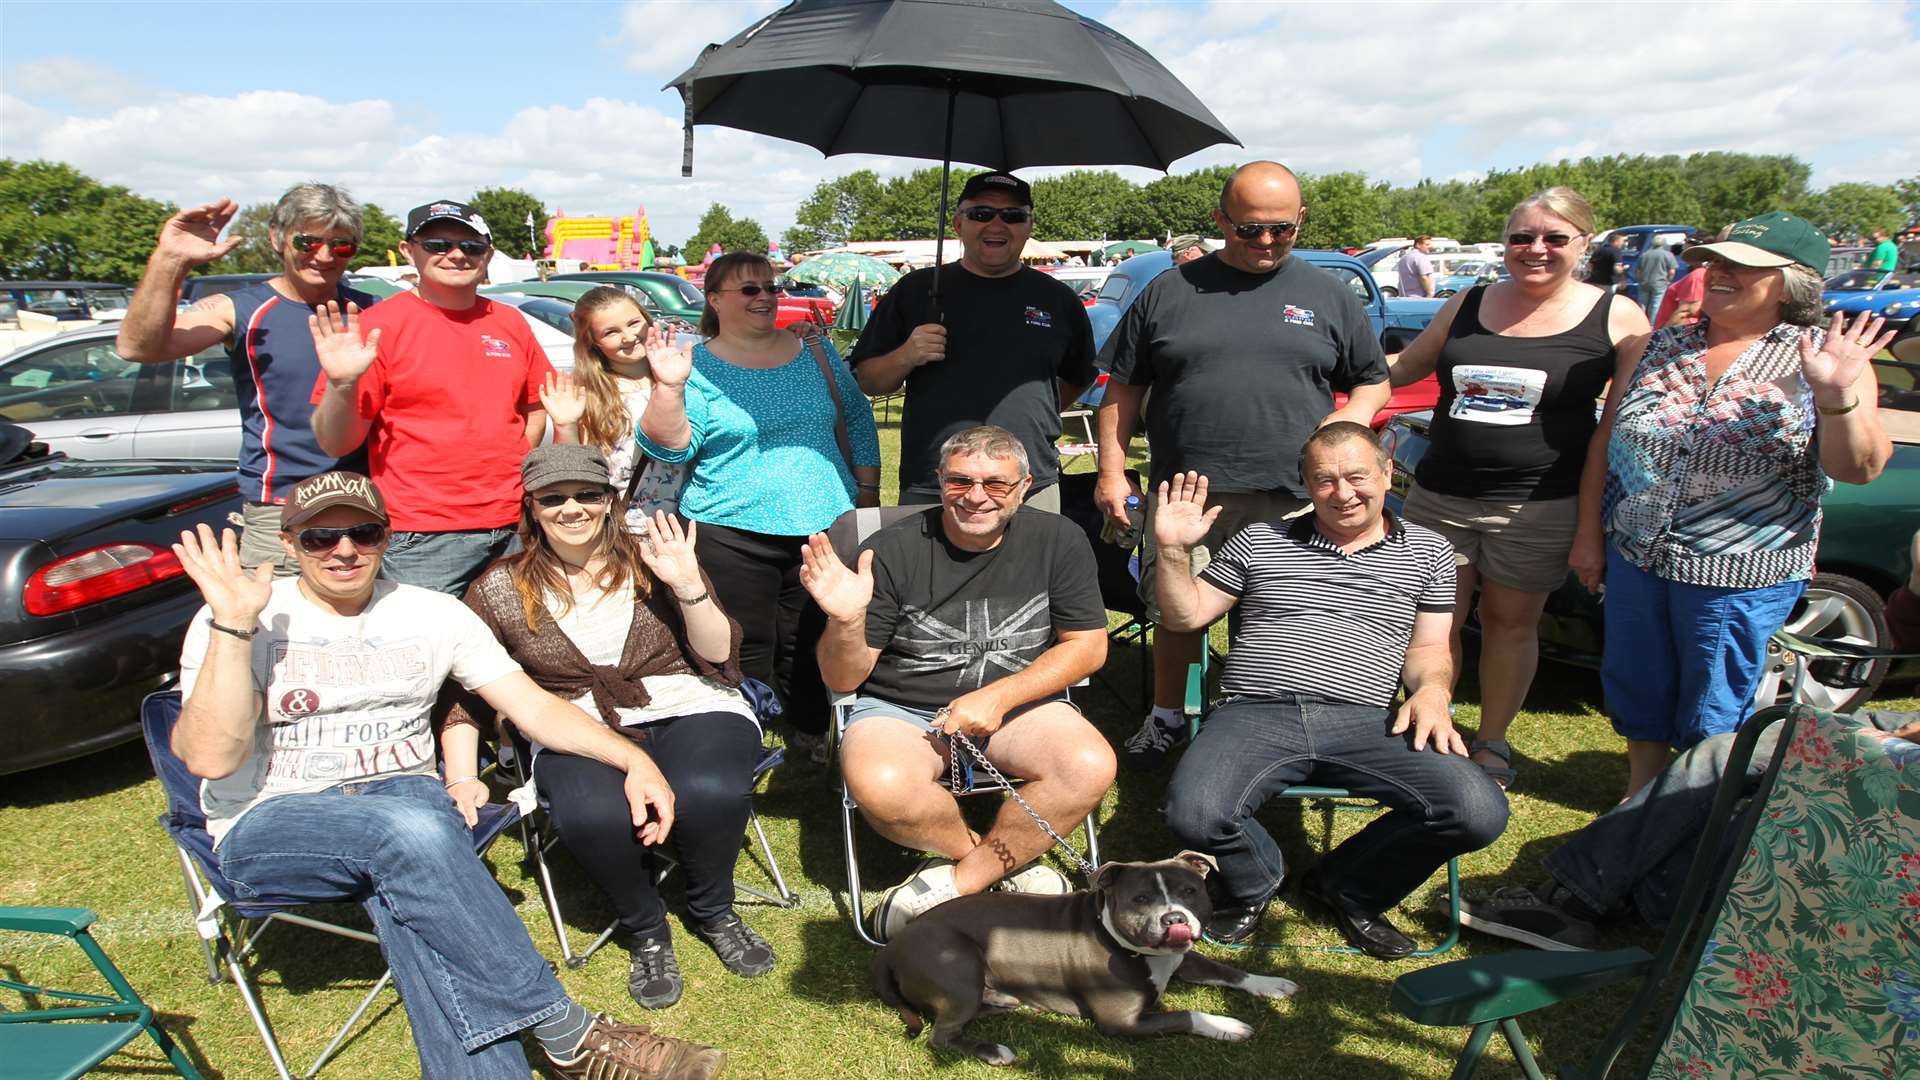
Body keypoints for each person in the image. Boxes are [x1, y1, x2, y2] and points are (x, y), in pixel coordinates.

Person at [167, 470, 724, 1080]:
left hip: (408, 807)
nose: (344, 550)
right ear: (291, 543)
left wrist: (632, 757)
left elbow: (532, 706)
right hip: (272, 817)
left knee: (416, 897)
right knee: (411, 833)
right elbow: (210, 760)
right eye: (321, 538)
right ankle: (564, 1026)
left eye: (363, 533)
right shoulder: (242, 618)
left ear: (387, 537)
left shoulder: (433, 614)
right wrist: (232, 625)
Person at [1156, 423, 1508, 958]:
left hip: (1366, 720)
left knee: (1477, 809)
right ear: (1305, 485)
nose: (1343, 494)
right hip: (1257, 712)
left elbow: (1432, 647)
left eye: (1356, 477)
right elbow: (1186, 617)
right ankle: (1257, 881)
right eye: (1324, 481)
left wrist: (1433, 692)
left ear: (1389, 473)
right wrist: (1174, 552)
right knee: (1194, 816)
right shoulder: (1259, 540)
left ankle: (1349, 885)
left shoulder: (1430, 551)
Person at [443, 445, 771, 1010]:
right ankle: (645, 927)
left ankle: (712, 908)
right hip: (576, 720)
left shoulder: (656, 558)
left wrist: (687, 583)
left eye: (587, 494)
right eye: (554, 497)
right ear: (533, 508)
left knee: (709, 790)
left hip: (688, 699)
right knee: (592, 813)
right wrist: (459, 775)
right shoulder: (497, 587)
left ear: (610, 501)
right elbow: (467, 690)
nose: (572, 508)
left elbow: (720, 655)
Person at [1094, 161, 1392, 770]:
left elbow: (1373, 383)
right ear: (1220, 219)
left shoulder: (1327, 293)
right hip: (1189, 494)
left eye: (1280, 230)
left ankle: (1284, 720)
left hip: (1296, 499)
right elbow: (1120, 394)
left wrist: (1342, 430)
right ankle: (1168, 716)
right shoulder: (1169, 291)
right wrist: (1110, 472)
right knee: (1177, 612)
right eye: (1248, 229)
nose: (1264, 243)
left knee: (1297, 616)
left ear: (1300, 219)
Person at [1588, 211, 1895, 799]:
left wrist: (1835, 397)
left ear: (1795, 282)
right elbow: (1606, 442)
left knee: (1712, 704)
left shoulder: (1825, 360)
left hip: (1737, 572)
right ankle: (1639, 802)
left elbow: (1859, 467)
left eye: (1744, 267)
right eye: (1715, 262)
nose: (1720, 274)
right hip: (1637, 553)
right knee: (1638, 686)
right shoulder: (1660, 346)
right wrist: (1587, 537)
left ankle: (1692, 812)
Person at [798, 425, 1114, 941]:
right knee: (880, 785)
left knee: (1088, 767)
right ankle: (994, 864)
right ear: (939, 480)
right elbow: (842, 676)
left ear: (1025, 485)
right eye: (960, 481)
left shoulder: (1058, 539)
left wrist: (1000, 695)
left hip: (1019, 705)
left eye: (996, 484)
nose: (975, 497)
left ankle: (960, 885)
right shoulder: (891, 550)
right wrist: (847, 619)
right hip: (902, 709)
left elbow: (1088, 646)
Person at [1385, 187, 1650, 789]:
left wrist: (1588, 528)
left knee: (1509, 623)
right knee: (1432, 619)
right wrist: (1332, 373)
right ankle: (1432, 723)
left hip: (1538, 505)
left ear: (1584, 243)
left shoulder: (1617, 316)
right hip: (1440, 496)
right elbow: (1404, 368)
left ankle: (1492, 742)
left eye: (1555, 238)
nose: (1537, 249)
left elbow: (1614, 434)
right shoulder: (1470, 300)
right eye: (1522, 238)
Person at [636, 251, 881, 750]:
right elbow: (669, 445)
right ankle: (743, 734)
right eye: (749, 290)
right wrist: (667, 387)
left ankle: (810, 732)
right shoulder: (694, 366)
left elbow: (855, 416)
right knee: (741, 640)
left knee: (813, 634)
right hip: (731, 526)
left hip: (822, 521)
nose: (765, 297)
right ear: (715, 300)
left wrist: (868, 491)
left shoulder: (814, 351)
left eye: (770, 288)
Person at [1457, 706, 1919, 949]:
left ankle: (1586, 901)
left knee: (1762, 812)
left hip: (1898, 785)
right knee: (1729, 752)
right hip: (1896, 742)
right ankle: (1583, 898)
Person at [117, 184, 375, 573]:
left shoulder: (374, 311)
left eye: (341, 246)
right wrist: (170, 261)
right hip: (282, 510)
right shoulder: (241, 309)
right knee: (280, 629)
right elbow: (139, 348)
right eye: (307, 242)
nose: (323, 256)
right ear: (277, 238)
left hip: (367, 504)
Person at [308, 200, 553, 596]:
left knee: (515, 651)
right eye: (438, 244)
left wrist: (507, 475)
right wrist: (341, 384)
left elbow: (534, 410)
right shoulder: (378, 326)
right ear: (409, 251)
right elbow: (334, 442)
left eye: (471, 247)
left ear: (487, 255)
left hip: (516, 525)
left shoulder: (509, 321)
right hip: (423, 535)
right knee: (428, 654)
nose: (456, 254)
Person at [848, 171, 1095, 509]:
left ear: (1029, 225)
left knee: (1034, 564)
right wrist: (907, 354)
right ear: (957, 222)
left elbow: (1079, 377)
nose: (996, 224)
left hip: (1029, 484)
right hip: (935, 483)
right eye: (981, 213)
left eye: (1013, 215)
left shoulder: (1058, 298)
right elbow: (870, 380)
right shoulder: (916, 291)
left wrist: (1031, 415)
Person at [541, 286, 687, 531]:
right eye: (611, 332)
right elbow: (573, 471)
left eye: (633, 323)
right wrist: (564, 425)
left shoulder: (681, 376)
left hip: (684, 524)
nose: (629, 337)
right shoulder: (588, 393)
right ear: (594, 342)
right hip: (623, 528)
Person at [1652, 232, 1723, 329]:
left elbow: (1685, 313)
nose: (1682, 250)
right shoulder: (1700, 273)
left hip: (1674, 334)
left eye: (1686, 249)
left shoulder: (1698, 275)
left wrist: (1660, 337)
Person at [1634, 236, 1677, 323]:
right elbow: (1672, 271)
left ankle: (1640, 322)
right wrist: (1669, 281)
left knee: (1642, 304)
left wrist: (1640, 280)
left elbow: (1638, 270)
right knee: (1656, 305)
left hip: (1644, 282)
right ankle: (1652, 324)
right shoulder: (1668, 255)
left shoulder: (1645, 254)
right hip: (1660, 283)